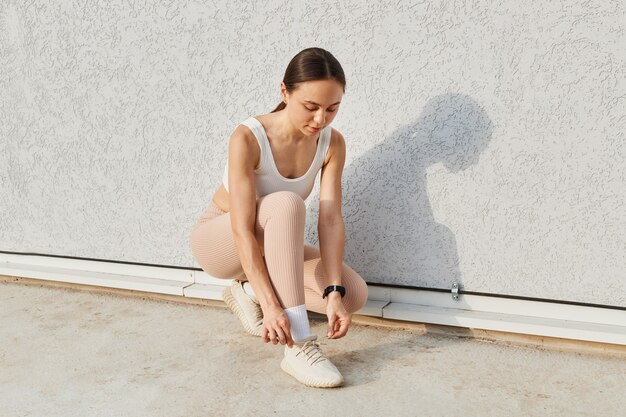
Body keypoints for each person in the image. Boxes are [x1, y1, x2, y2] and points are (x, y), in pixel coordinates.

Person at [190, 47, 368, 388]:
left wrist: (332, 293)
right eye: (311, 107)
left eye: (332, 109)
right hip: (220, 240)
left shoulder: (332, 144)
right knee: (285, 203)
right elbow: (242, 229)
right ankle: (299, 344)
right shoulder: (249, 136)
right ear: (285, 91)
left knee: (353, 294)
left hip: (267, 244)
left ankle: (249, 290)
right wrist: (274, 307)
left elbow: (330, 220)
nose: (321, 120)